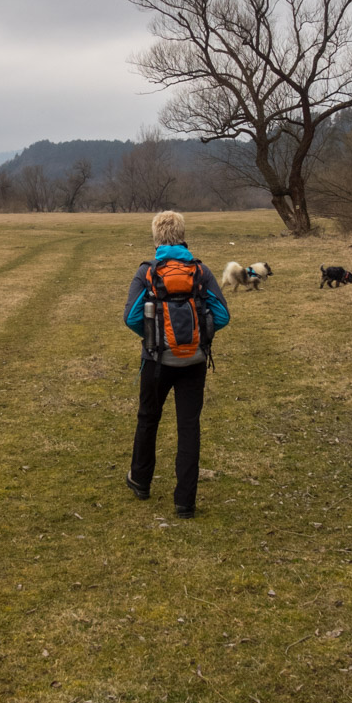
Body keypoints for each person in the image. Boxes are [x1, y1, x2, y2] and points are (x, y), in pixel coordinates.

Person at [123, 210, 230, 517]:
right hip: (194, 362)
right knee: (188, 427)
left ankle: (140, 481)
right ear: (183, 235)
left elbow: (130, 317)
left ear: (156, 237)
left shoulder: (147, 271)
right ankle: (185, 502)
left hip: (156, 361)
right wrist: (198, 338)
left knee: (148, 419)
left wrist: (154, 338)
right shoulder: (201, 271)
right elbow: (222, 315)